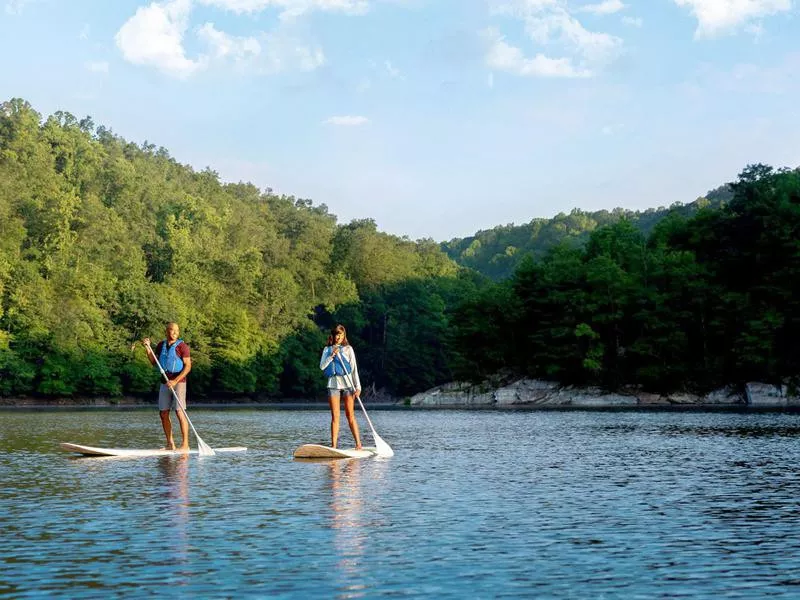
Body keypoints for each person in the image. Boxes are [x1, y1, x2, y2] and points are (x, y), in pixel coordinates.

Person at [141, 322, 192, 451]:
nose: (175, 332)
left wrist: (175, 381)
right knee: (163, 413)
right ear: (166, 331)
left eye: (177, 330)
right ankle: (170, 444)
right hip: (164, 382)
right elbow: (154, 362)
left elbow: (188, 366)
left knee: (179, 412)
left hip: (179, 382)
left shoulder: (183, 347)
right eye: (172, 330)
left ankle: (185, 445)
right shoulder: (160, 345)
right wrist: (147, 348)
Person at [320, 324, 362, 450]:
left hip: (348, 385)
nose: (339, 337)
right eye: (337, 334)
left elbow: (354, 369)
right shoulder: (327, 350)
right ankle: (333, 446)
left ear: (344, 336)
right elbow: (322, 367)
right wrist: (331, 355)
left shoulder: (348, 349)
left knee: (350, 415)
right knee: (335, 416)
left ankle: (358, 444)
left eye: (341, 335)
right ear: (333, 335)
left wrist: (358, 387)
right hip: (333, 386)